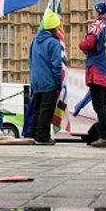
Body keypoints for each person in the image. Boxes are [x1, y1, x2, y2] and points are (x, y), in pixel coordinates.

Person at [79, 0, 106, 148]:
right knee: (103, 104)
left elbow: (88, 44)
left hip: (97, 71)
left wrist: (81, 46)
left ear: (99, 11)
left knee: (99, 105)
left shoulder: (97, 26)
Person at [27, 9, 64, 145]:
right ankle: (42, 137)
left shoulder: (35, 41)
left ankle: (33, 133)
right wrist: (58, 82)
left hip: (36, 81)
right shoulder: (53, 43)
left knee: (37, 109)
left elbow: (30, 61)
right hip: (48, 82)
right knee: (46, 110)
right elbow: (56, 65)